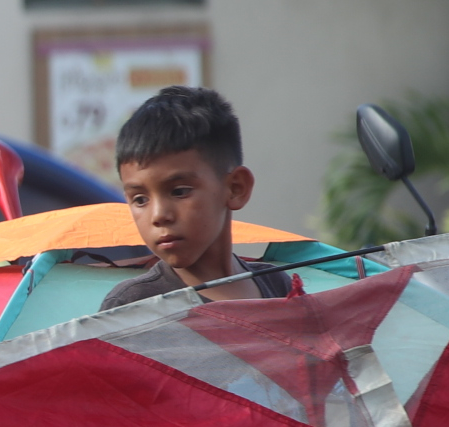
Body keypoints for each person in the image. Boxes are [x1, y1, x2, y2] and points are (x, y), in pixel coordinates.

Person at [100, 86, 301, 310]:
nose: (158, 216)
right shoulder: (130, 306)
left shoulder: (278, 286)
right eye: (140, 200)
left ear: (236, 188)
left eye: (179, 191)